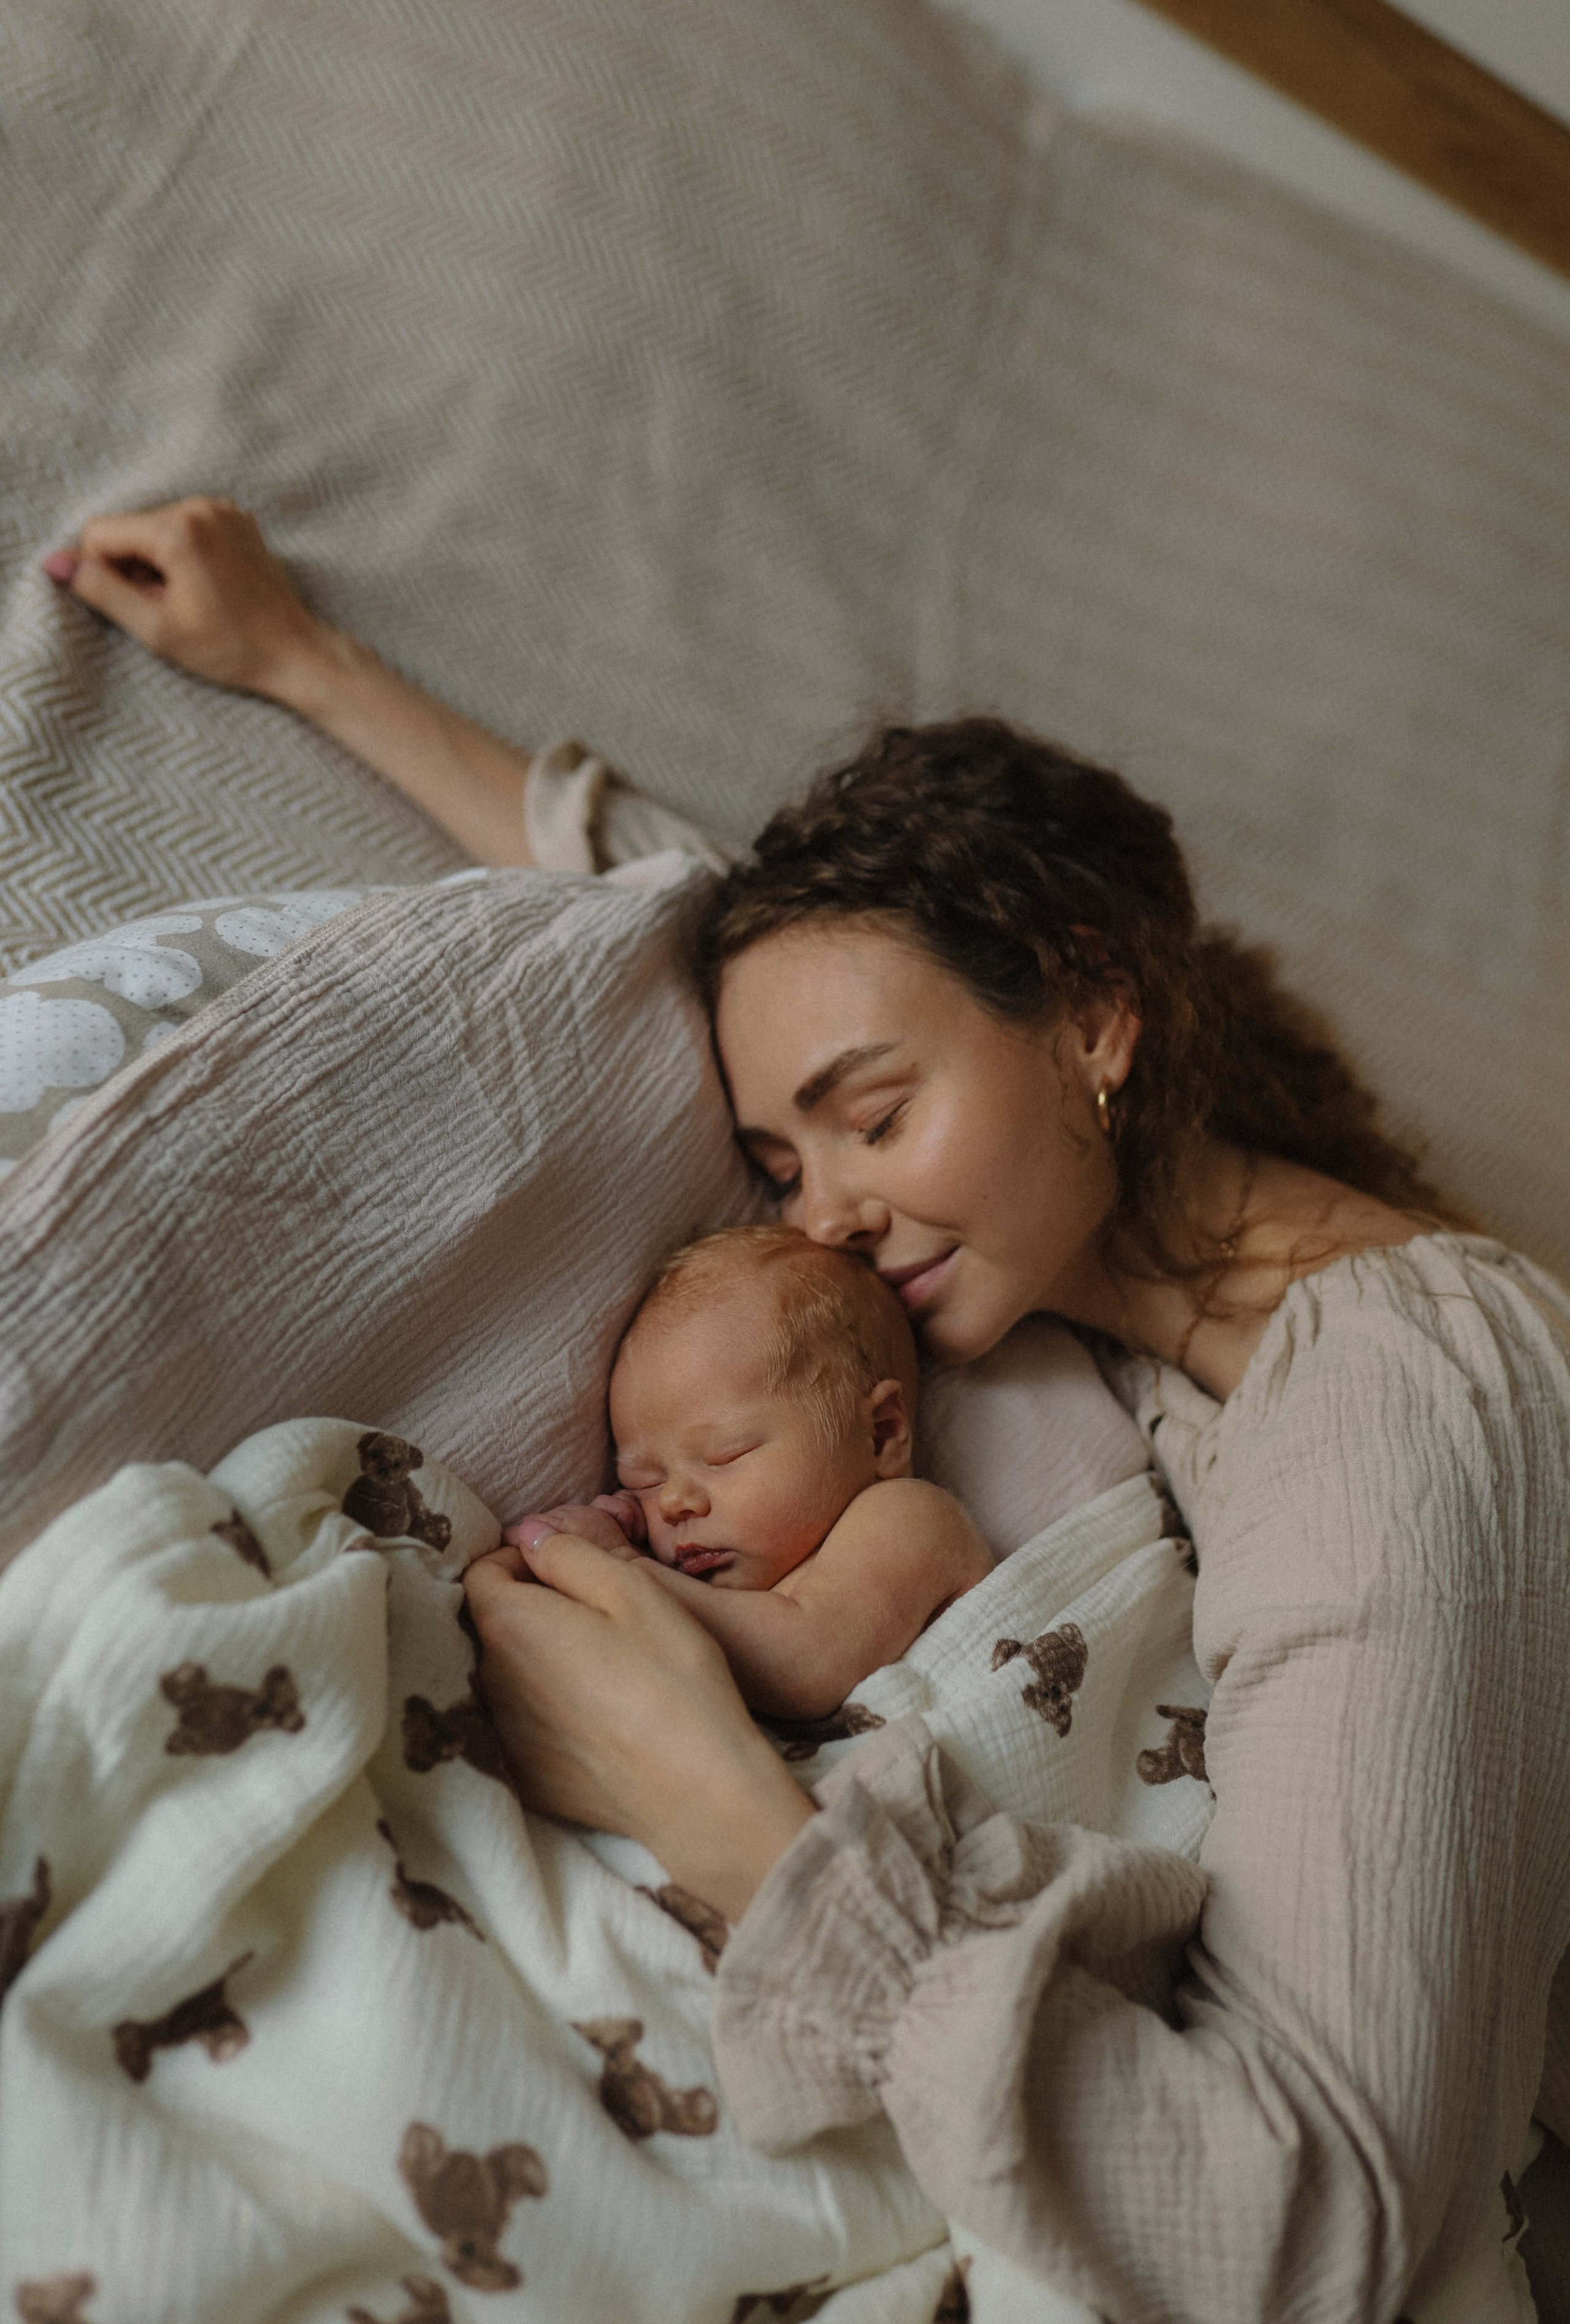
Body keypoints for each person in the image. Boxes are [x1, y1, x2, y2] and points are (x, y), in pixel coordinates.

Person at [44, 501, 1570, 2322]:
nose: (822, 1205)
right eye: (778, 1156)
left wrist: (720, 1815)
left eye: (868, 1114)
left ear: (1092, 1013)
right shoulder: (1115, 1278)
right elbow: (713, 909)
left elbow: (1317, 2235)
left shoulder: (1402, 1386)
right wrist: (302, 663)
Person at [498, 1223, 993, 1721]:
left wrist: (621, 1570)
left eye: (725, 1456)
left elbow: (806, 1663)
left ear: (881, 1435)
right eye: (642, 1483)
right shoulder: (726, 1597)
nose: (672, 1503)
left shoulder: (909, 1518)